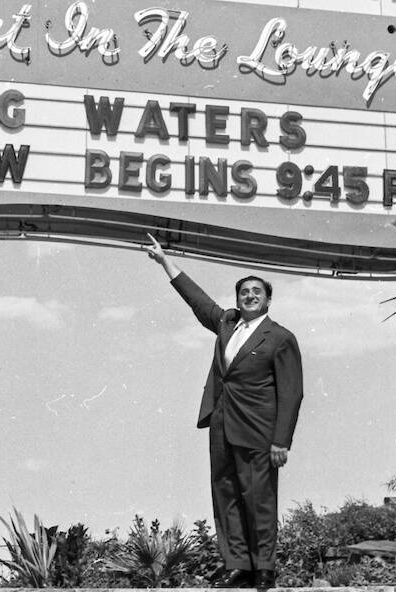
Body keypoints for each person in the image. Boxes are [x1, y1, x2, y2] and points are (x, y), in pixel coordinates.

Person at [145, 234, 303, 591]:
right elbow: (198, 301)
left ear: (268, 299)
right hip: (222, 426)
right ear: (237, 298)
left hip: (260, 431)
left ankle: (264, 568)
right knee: (226, 497)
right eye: (244, 292)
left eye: (256, 292)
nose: (249, 296)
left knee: (259, 498)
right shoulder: (227, 324)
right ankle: (239, 567)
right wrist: (165, 262)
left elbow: (292, 393)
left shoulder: (280, 338)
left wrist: (281, 440)